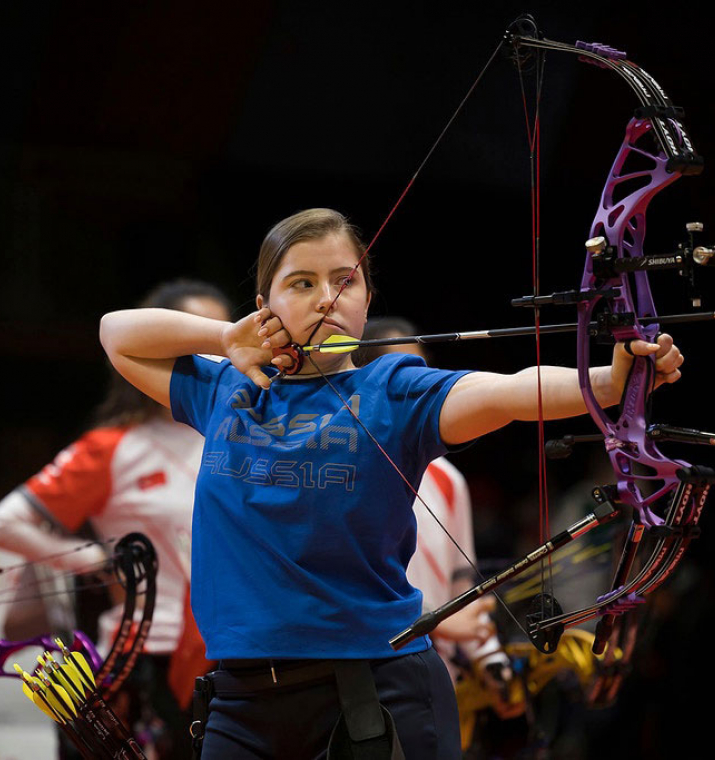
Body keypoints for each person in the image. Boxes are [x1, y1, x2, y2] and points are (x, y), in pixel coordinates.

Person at [98, 208, 684, 759]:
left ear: (366, 298)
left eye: (344, 281)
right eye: (302, 283)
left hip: (371, 690)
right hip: (240, 701)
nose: (326, 298)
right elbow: (115, 333)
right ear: (264, 305)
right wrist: (226, 337)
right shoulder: (227, 388)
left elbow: (507, 392)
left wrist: (608, 383)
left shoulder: (396, 390)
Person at [0, 279, 232, 759]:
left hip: (239, 649)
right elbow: (2, 524)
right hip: (144, 659)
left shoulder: (250, 434)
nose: (211, 357)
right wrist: (98, 560)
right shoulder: (112, 446)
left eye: (217, 340)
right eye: (192, 339)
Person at [353, 317, 508, 685]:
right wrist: (434, 621)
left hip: (437, 676)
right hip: (364, 669)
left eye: (422, 374)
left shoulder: (447, 478)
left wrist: (492, 659)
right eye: (401, 379)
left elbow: (461, 586)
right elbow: (346, 579)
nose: (418, 388)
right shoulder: (338, 465)